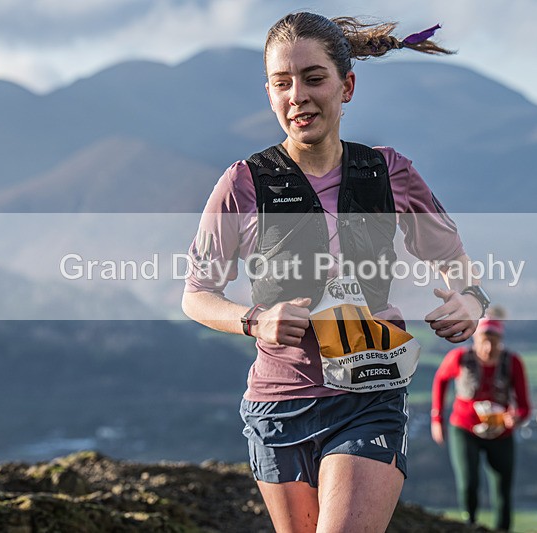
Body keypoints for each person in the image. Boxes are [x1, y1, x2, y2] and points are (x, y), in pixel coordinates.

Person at [182, 12, 490, 532]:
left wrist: (472, 301)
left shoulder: (388, 171)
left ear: (346, 86)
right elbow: (197, 294)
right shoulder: (242, 183)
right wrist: (255, 320)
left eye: (313, 78)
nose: (297, 95)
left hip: (369, 394)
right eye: (282, 83)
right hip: (277, 404)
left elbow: (455, 262)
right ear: (270, 95)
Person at [430, 308, 531, 531]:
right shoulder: (459, 358)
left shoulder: (512, 363)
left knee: (502, 488)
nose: (488, 347)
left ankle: (502, 529)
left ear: (501, 340)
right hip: (464, 429)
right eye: (484, 340)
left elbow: (524, 406)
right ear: (475, 339)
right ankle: (470, 524)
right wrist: (437, 418)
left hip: (501, 433)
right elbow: (441, 379)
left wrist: (515, 418)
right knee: (468, 483)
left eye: (494, 341)